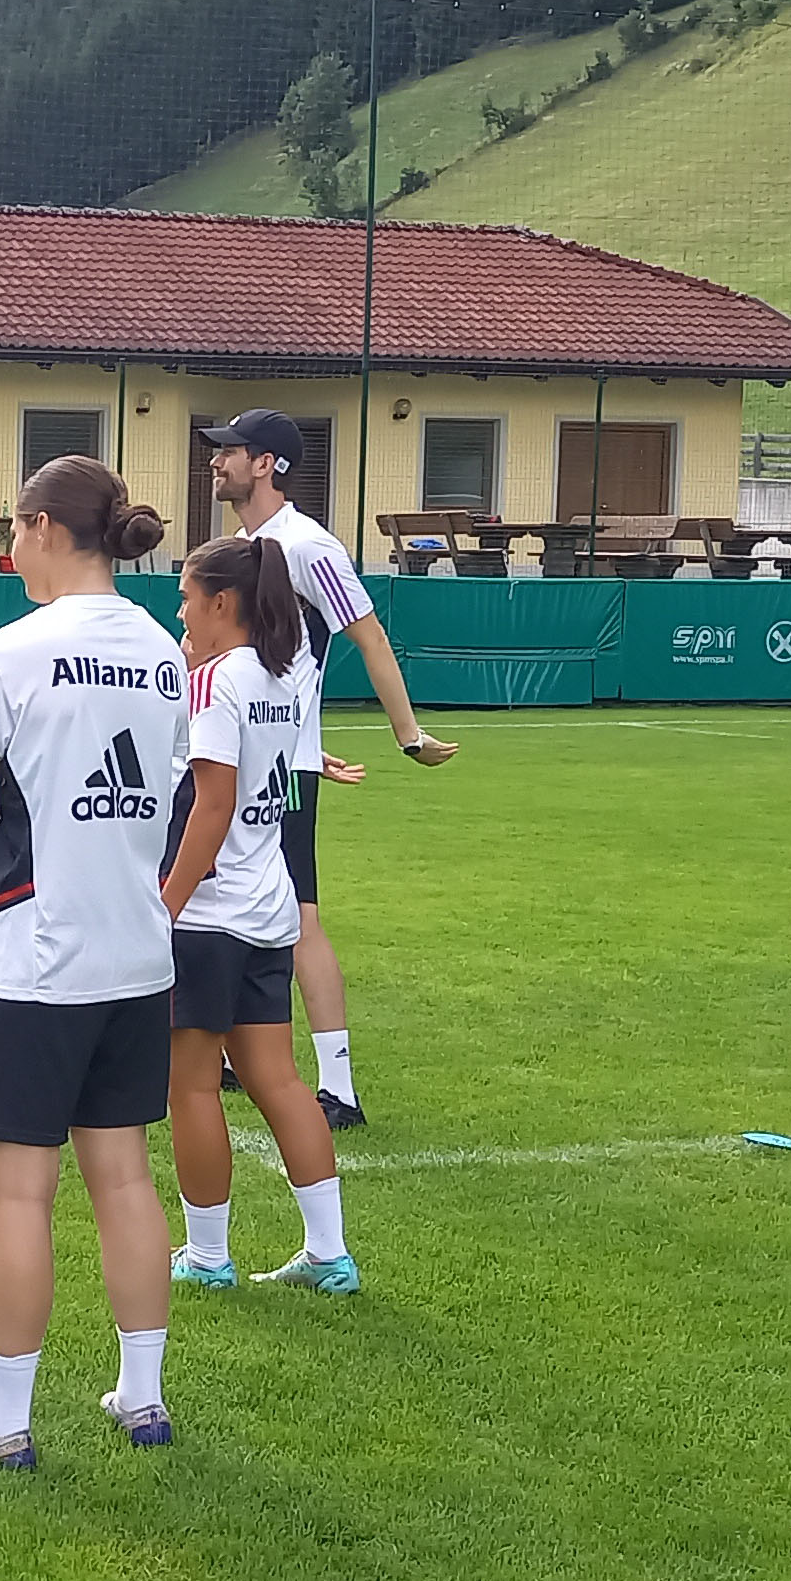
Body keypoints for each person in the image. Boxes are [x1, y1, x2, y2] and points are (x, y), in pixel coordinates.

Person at [0, 456, 186, 1468]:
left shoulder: (8, 651)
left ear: (38, 528)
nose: (8, 550)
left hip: (29, 958)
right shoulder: (162, 650)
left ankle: (5, 1422)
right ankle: (141, 1398)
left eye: (13, 532)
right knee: (123, 1178)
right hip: (133, 954)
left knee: (19, 1195)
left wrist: (2, 885)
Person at [198, 409, 457, 1128]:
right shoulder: (242, 546)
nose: (217, 463)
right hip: (239, 754)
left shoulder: (309, 547)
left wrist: (408, 736)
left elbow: (367, 636)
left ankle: (338, 1086)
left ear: (269, 464)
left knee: (297, 914)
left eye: (231, 452)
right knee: (225, 899)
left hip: (274, 767)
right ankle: (223, 1054)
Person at [159, 536, 367, 1295]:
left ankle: (208, 1257)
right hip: (269, 907)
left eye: (186, 597)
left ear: (222, 603)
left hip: (212, 914)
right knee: (279, 1080)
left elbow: (210, 805)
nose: (179, 611)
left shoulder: (218, 681)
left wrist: (166, 906)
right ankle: (328, 1253)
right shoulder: (285, 672)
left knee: (191, 1086)